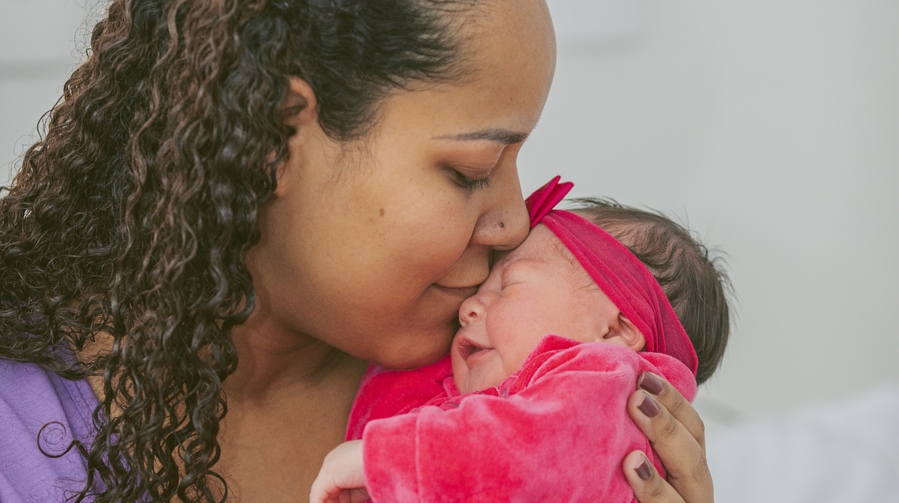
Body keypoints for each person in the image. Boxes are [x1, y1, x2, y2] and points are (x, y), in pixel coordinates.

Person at [0, 1, 714, 502]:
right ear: (277, 137)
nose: (511, 221)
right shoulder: (19, 436)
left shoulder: (497, 387)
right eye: (468, 171)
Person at [309, 180, 731, 502]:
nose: (469, 306)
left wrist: (387, 459)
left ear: (615, 332)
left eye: (506, 284)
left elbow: (526, 449)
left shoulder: (609, 392)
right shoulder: (482, 374)